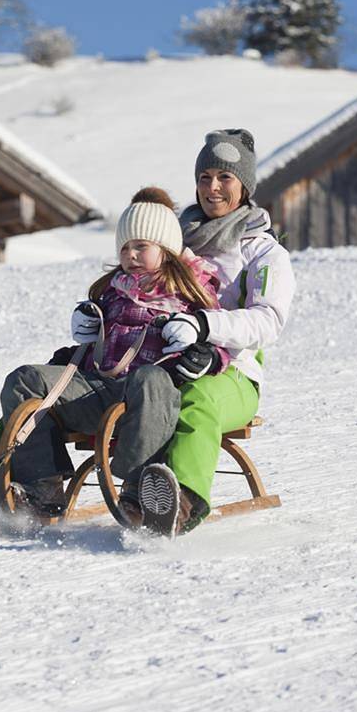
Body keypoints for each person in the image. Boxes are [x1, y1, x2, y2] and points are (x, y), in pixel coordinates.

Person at [0, 187, 229, 520]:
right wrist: (85, 334)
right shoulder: (111, 290)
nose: (131, 256)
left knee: (150, 378)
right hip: (100, 390)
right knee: (24, 381)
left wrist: (205, 353)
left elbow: (219, 345)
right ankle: (40, 491)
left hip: (151, 401)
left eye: (141, 246)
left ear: (167, 248)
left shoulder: (191, 293)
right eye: (124, 248)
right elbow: (93, 343)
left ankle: (142, 494)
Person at [135, 128, 296, 535]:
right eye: (205, 177)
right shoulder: (172, 240)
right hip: (161, 362)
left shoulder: (262, 252)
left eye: (225, 177)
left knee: (197, 399)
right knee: (56, 385)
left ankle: (181, 502)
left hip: (234, 375)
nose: (213, 187)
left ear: (245, 185)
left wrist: (207, 327)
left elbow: (267, 320)